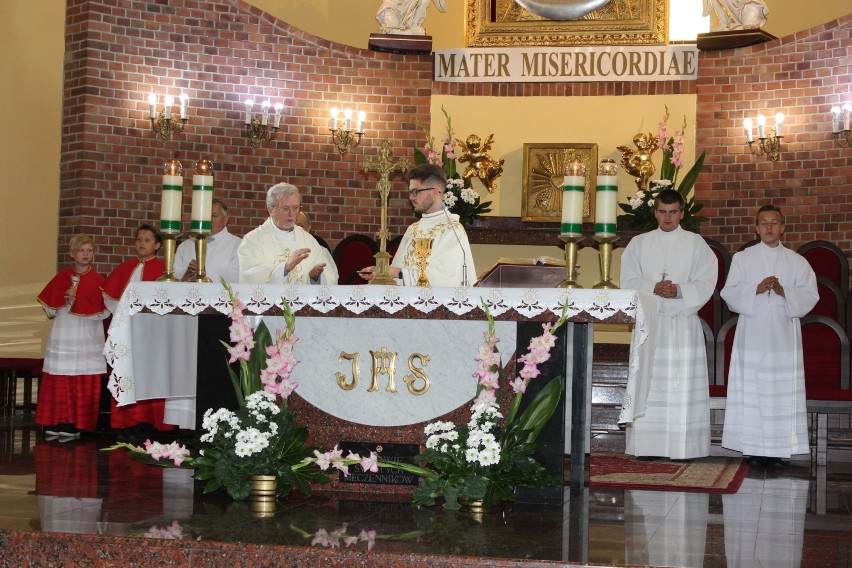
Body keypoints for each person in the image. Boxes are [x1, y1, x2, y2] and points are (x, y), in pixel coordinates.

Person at [619, 188, 717, 460]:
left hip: (682, 324)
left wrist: (680, 290)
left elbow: (707, 280)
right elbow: (627, 281)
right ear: (655, 213)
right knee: (650, 385)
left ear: (682, 213)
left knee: (681, 385)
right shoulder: (639, 243)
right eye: (662, 212)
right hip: (651, 324)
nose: (667, 217)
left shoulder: (696, 244)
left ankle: (684, 447)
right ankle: (648, 447)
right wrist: (654, 286)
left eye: (673, 212)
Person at [720, 204, 818, 468]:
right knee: (752, 388)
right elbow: (729, 293)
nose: (769, 227)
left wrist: (785, 292)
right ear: (756, 227)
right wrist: (756, 289)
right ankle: (752, 447)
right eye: (764, 222)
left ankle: (777, 448)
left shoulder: (797, 262)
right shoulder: (743, 258)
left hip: (783, 335)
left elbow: (811, 295)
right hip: (752, 331)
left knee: (780, 389)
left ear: (783, 227)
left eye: (774, 223)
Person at [101, 224, 173, 440]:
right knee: (127, 373)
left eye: (147, 240)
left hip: (151, 331)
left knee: (147, 374)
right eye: (139, 239)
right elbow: (110, 299)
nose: (142, 243)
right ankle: (127, 422)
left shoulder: (163, 271)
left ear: (158, 245)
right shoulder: (125, 268)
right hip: (127, 330)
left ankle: (146, 423)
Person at [35, 234, 109, 440]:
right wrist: (64, 299)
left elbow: (105, 312)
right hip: (64, 333)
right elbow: (49, 309)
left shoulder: (99, 281)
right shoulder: (61, 278)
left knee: (80, 379)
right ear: (72, 253)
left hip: (87, 336)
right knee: (61, 378)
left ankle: (75, 424)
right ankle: (57, 420)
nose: (86, 254)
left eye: (89, 250)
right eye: (81, 250)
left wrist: (85, 302)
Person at [359, 163, 475, 287]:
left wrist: (394, 272)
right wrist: (381, 273)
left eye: (415, 191)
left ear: (435, 192)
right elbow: (396, 270)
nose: (411, 197)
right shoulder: (413, 229)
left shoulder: (452, 230)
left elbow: (444, 278)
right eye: (410, 192)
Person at [238, 183, 338, 285]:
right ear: (270, 210)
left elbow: (329, 278)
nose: (291, 213)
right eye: (285, 208)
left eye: (295, 208)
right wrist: (285, 268)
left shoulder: (308, 240)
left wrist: (315, 278)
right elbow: (250, 276)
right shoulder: (253, 240)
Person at [173, 198, 240, 283]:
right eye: (205, 216)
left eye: (214, 215)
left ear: (226, 220)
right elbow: (174, 276)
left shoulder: (238, 245)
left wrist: (204, 270)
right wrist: (186, 274)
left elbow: (238, 276)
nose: (208, 220)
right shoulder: (185, 245)